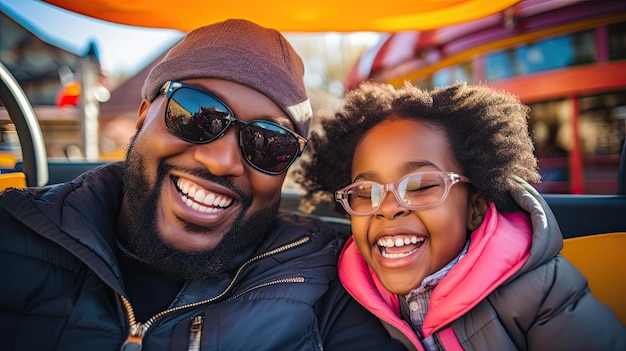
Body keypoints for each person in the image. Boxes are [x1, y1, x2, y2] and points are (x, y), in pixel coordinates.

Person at [0, 20, 406, 350]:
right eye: (195, 114)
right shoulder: (13, 233)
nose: (222, 160)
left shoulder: (326, 287)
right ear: (143, 116)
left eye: (269, 144)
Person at [295, 81, 626, 350]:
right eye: (366, 193)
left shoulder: (540, 288)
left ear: (474, 210)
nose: (388, 207)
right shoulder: (344, 292)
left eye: (421, 186)